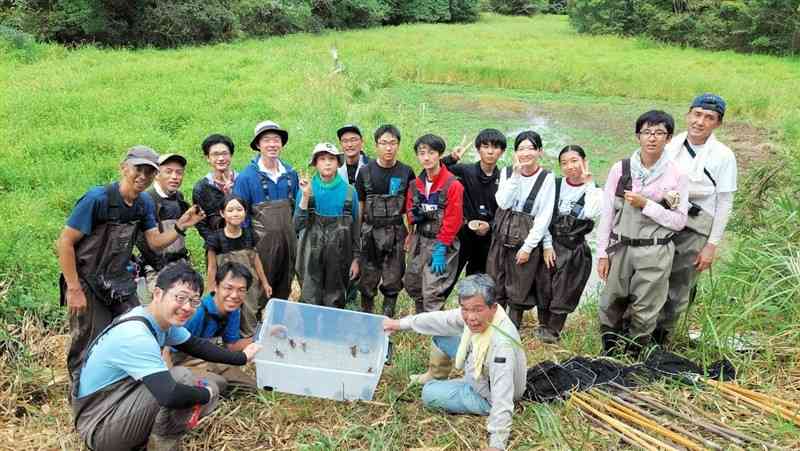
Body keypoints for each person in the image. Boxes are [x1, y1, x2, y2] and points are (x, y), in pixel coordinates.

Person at [71, 263, 261, 451]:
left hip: (117, 403)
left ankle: (147, 436)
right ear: (158, 293)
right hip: (99, 425)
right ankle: (162, 445)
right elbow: (170, 395)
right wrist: (206, 395)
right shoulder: (136, 334)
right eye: (180, 298)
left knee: (206, 385)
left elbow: (197, 346)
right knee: (183, 380)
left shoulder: (155, 320)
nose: (187, 307)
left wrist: (242, 358)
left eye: (194, 301)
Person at [58, 146, 206, 380]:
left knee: (139, 329)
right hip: (87, 281)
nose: (143, 176)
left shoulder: (143, 203)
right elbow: (64, 243)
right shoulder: (98, 199)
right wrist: (74, 289)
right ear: (124, 167)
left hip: (119, 281)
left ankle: (122, 388)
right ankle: (82, 399)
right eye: (139, 169)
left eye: (149, 172)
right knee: (87, 343)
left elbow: (155, 243)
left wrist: (180, 226)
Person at [383, 274, 526, 451]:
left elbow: (502, 398)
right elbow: (440, 319)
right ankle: (434, 374)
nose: (470, 317)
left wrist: (496, 445)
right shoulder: (480, 317)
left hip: (488, 393)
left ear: (493, 308)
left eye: (477, 309)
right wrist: (399, 324)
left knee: (429, 394)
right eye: (465, 309)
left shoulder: (501, 346)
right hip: (478, 365)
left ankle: (449, 386)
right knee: (442, 332)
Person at [596, 110, 689, 355]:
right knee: (611, 301)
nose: (652, 138)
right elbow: (607, 215)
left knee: (646, 307)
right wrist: (602, 254)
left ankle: (634, 354)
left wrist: (646, 205)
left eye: (659, 133)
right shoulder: (621, 169)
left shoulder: (676, 174)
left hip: (655, 249)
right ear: (638, 136)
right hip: (621, 247)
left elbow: (679, 221)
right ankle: (609, 352)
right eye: (647, 132)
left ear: (669, 139)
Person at [656, 94, 737, 345]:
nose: (701, 122)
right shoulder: (669, 146)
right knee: (653, 274)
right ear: (688, 114)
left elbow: (724, 202)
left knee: (680, 282)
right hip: (665, 216)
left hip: (697, 223)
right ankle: (638, 329)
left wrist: (711, 246)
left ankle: (662, 338)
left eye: (709, 118)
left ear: (718, 124)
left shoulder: (723, 156)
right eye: (697, 114)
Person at [487, 131, 555, 330]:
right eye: (521, 149)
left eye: (530, 148)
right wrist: (516, 175)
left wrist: (528, 247)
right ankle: (495, 328)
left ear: (539, 151)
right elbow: (502, 202)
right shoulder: (508, 172)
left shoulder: (547, 177)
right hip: (501, 236)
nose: (525, 153)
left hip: (525, 238)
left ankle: (512, 329)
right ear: (515, 152)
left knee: (519, 287)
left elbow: (544, 217)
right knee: (496, 283)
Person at [534, 145, 602, 343]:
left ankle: (553, 332)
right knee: (543, 286)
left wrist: (588, 183)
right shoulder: (554, 185)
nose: (570, 166)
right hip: (550, 244)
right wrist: (546, 245)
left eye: (574, 161)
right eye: (564, 163)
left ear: (584, 161)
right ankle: (542, 325)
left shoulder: (595, 190)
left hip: (575, 250)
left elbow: (590, 213)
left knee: (565, 290)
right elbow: (542, 216)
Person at [234, 120, 299, 324]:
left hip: (288, 242)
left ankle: (276, 327)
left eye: (276, 140)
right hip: (260, 246)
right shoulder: (246, 177)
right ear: (258, 145)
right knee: (258, 288)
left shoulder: (291, 174)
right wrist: (247, 248)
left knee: (283, 284)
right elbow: (239, 215)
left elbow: (297, 209)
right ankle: (252, 331)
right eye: (267, 140)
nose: (272, 144)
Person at [355, 124, 416, 317]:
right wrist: (358, 235)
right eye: (383, 143)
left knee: (394, 276)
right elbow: (361, 206)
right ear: (376, 145)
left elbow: (410, 207)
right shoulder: (364, 172)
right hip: (370, 231)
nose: (388, 148)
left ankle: (388, 316)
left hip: (396, 231)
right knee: (368, 275)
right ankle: (367, 311)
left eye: (393, 143)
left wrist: (411, 234)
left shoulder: (406, 172)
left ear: (398, 145)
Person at [294, 143, 361, 308]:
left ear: (338, 163)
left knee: (335, 300)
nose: (327, 163)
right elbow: (297, 224)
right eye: (322, 159)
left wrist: (356, 259)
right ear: (315, 164)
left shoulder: (349, 192)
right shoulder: (306, 190)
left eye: (331, 159)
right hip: (310, 257)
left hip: (339, 258)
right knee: (310, 299)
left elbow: (356, 230)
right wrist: (305, 197)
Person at [172, 262, 258, 389]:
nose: (234, 295)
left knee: (249, 387)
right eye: (228, 288)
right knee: (219, 383)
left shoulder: (234, 310)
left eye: (241, 290)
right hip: (180, 360)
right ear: (216, 286)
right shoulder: (197, 311)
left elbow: (231, 346)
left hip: (206, 356)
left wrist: (261, 337)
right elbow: (168, 350)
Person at [440, 129, 506, 293]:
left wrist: (490, 226)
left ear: (502, 151)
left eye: (495, 147)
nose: (490, 151)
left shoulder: (506, 178)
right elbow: (434, 172)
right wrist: (451, 158)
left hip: (487, 239)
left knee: (477, 286)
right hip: (462, 235)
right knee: (445, 280)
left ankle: (471, 315)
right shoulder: (464, 171)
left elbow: (506, 212)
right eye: (485, 146)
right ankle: (435, 313)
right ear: (478, 149)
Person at [404, 134, 465, 314]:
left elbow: (454, 220)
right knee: (413, 283)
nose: (427, 157)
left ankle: (435, 331)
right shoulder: (416, 184)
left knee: (433, 289)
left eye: (431, 152)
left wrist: (441, 249)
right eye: (422, 153)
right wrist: (412, 228)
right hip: (419, 240)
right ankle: (421, 321)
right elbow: (409, 211)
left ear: (439, 154)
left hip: (442, 244)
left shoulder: (453, 185)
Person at [205, 194, 272, 336]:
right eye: (230, 210)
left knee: (249, 313)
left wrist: (265, 283)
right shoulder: (215, 239)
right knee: (224, 313)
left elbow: (256, 260)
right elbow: (212, 267)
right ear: (222, 213)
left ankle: (249, 341)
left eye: (239, 209)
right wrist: (211, 289)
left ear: (245, 212)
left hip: (248, 285)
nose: (235, 213)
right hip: (225, 284)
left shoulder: (250, 234)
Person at [136, 153, 191, 295]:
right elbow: (144, 242)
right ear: (156, 174)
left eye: (179, 172)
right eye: (168, 171)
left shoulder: (178, 197)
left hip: (180, 266)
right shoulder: (146, 199)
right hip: (157, 271)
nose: (175, 176)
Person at [193, 134, 237, 244]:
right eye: (215, 154)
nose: (221, 158)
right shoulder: (201, 188)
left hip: (245, 242)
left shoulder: (243, 181)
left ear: (231, 155)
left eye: (224, 153)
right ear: (207, 158)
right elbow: (200, 222)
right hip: (217, 246)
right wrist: (215, 242)